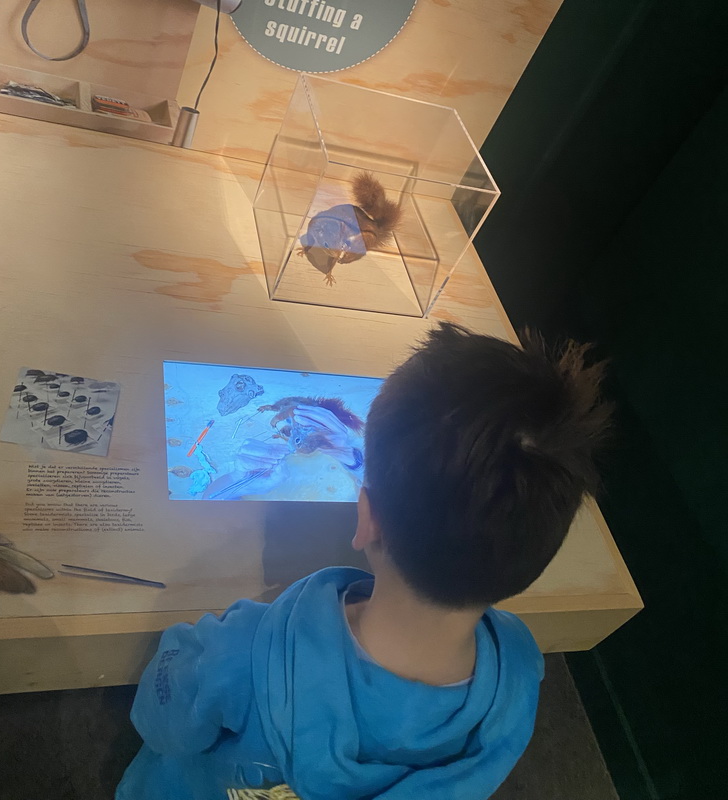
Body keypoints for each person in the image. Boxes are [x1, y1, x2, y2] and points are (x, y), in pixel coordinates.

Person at [117, 323, 611, 800]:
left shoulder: (242, 651)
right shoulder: (521, 671)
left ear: (367, 519)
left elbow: (160, 718)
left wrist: (186, 648)